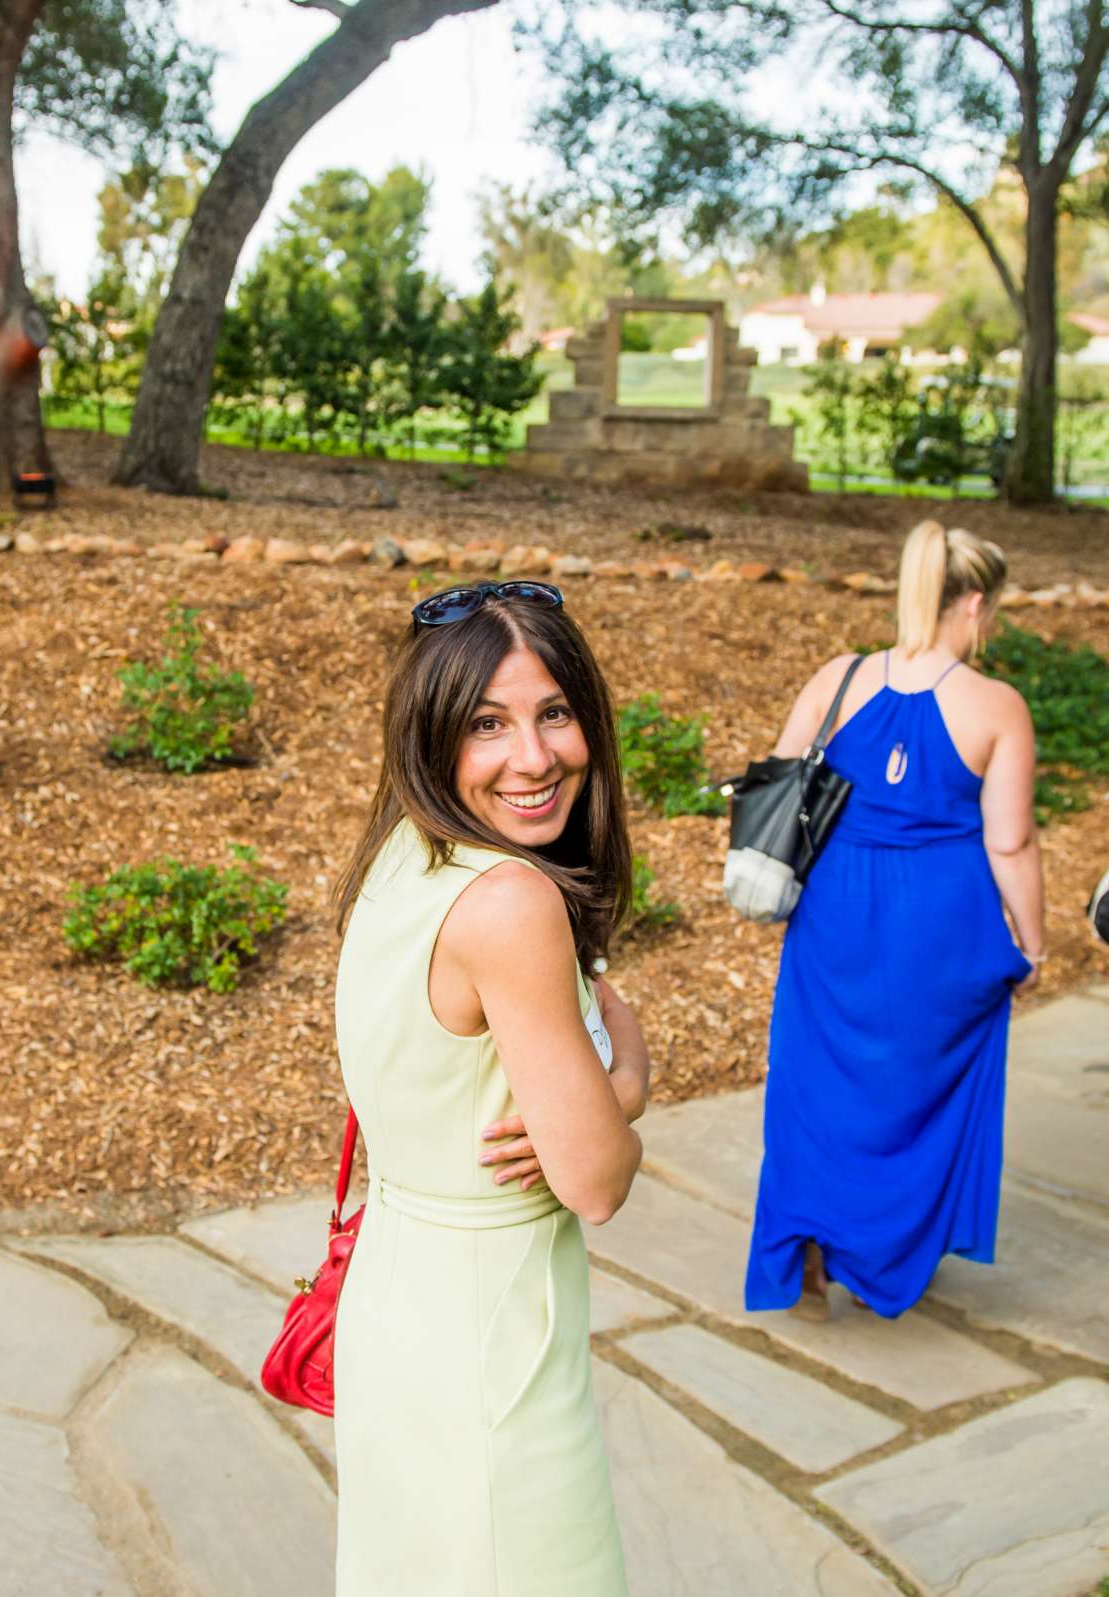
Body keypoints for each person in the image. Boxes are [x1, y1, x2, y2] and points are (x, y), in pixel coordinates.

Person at [330, 579, 650, 1596]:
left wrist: (607, 1069)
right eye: (488, 724)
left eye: (554, 711)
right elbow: (595, 1177)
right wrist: (625, 1092)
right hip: (490, 1338)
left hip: (399, 1300)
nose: (534, 755)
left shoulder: (405, 855)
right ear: (433, 736)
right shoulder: (511, 902)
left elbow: (599, 998)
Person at [743, 521, 1045, 1322]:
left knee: (818, 1080)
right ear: (973, 602)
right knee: (916, 1087)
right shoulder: (995, 705)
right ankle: (892, 1246)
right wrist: (1032, 937)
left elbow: (779, 775)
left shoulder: (838, 679)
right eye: (994, 611)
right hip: (940, 924)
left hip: (835, 909)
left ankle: (806, 1237)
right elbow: (1011, 841)